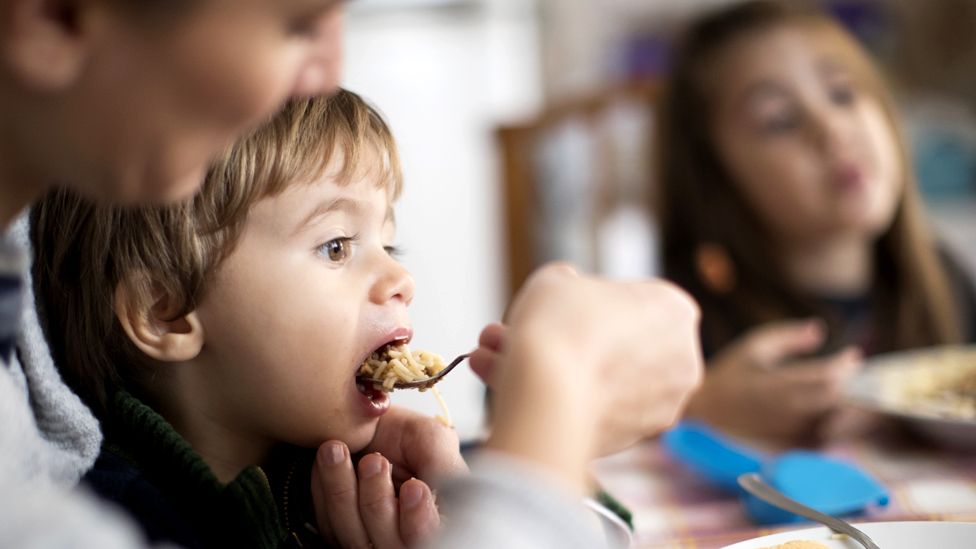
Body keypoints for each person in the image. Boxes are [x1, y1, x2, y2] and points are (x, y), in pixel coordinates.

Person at [0, 1, 703, 547]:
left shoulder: (328, 465)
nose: (399, 280)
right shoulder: (118, 508)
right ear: (167, 311)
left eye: (391, 245)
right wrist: (556, 407)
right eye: (336, 246)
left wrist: (486, 489)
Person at [655, 0, 976, 443]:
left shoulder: (947, 280)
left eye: (843, 93)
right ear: (715, 177)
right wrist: (701, 409)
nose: (831, 129)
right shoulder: (687, 323)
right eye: (779, 120)